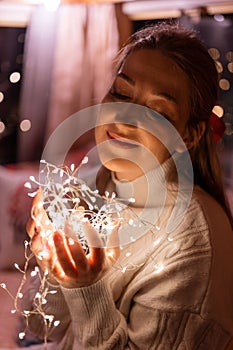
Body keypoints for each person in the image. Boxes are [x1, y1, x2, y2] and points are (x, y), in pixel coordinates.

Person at [24, 22, 233, 349]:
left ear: (188, 136)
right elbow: (37, 327)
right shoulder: (88, 185)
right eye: (121, 92)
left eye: (158, 111)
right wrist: (53, 262)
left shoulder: (190, 244)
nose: (125, 118)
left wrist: (86, 288)